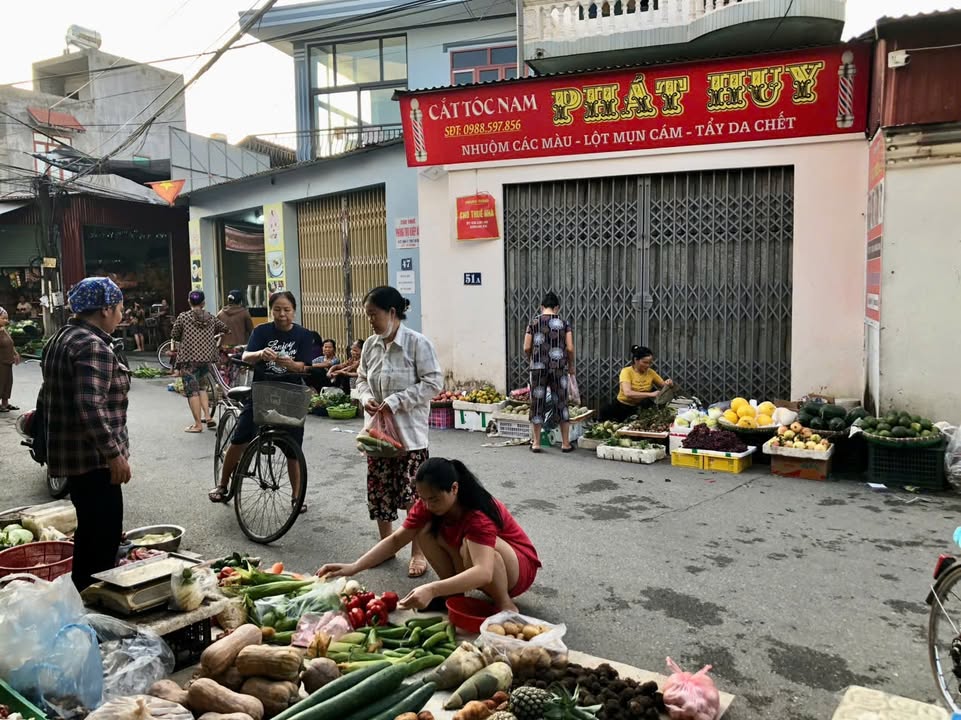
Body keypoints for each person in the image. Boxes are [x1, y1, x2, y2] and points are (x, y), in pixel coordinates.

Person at [318, 457, 541, 612]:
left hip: (517, 569)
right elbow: (396, 540)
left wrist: (431, 589)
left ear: (454, 488)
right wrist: (354, 567)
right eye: (423, 499)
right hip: (481, 564)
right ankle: (453, 596)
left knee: (469, 545)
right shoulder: (427, 504)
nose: (427, 505)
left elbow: (483, 572)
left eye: (433, 499)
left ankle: (505, 604)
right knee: (424, 531)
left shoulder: (477, 513)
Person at [42, 277, 131, 591]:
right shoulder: (92, 346)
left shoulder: (61, 338)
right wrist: (114, 455)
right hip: (94, 461)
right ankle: (95, 604)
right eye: (120, 308)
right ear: (105, 309)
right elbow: (90, 407)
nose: (121, 315)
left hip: (73, 458)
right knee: (103, 539)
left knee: (90, 533)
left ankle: (81, 597)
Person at [357, 286, 442, 578]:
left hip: (409, 437)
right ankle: (386, 546)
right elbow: (361, 379)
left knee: (413, 498)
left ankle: (419, 553)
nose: (370, 320)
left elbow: (433, 383)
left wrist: (396, 401)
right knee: (380, 493)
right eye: (368, 315)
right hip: (376, 435)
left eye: (374, 314)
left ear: (392, 312)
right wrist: (366, 397)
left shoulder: (417, 344)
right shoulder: (370, 345)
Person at [210, 291, 314, 511]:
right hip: (262, 391)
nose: (282, 314)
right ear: (271, 311)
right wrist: (260, 354)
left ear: (294, 311)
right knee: (240, 438)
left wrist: (291, 365)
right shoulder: (261, 331)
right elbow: (246, 356)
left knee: (293, 448)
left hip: (291, 395)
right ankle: (223, 484)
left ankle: (297, 497)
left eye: (287, 310)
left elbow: (305, 366)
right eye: (277, 310)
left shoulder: (304, 335)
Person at [524, 291, 575, 453]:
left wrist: (532, 358)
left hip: (538, 367)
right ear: (557, 307)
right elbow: (570, 348)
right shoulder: (564, 323)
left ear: (542, 307)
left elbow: (526, 347)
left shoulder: (533, 322)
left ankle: (536, 443)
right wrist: (571, 365)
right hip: (558, 367)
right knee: (561, 403)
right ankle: (565, 443)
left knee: (537, 403)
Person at [171, 291, 229, 433]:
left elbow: (174, 335)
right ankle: (208, 417)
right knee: (202, 387)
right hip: (206, 359)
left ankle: (198, 424)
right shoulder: (211, 318)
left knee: (192, 392)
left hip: (189, 359)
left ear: (189, 302)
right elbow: (225, 329)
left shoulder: (183, 317)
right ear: (203, 303)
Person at [598, 345, 674, 422]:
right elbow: (628, 393)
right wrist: (650, 394)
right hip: (621, 407)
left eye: (650, 363)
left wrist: (669, 383)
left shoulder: (651, 373)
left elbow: (664, 386)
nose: (648, 365)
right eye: (645, 362)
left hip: (638, 409)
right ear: (636, 360)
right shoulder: (626, 372)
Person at [0, 307, 21, 411]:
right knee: (1, 382)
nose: (6, 321)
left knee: (8, 382)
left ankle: (5, 403)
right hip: (1, 362)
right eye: (3, 318)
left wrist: (15, 353)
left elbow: (10, 343)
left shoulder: (3, 329)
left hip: (7, 361)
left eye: (7, 318)